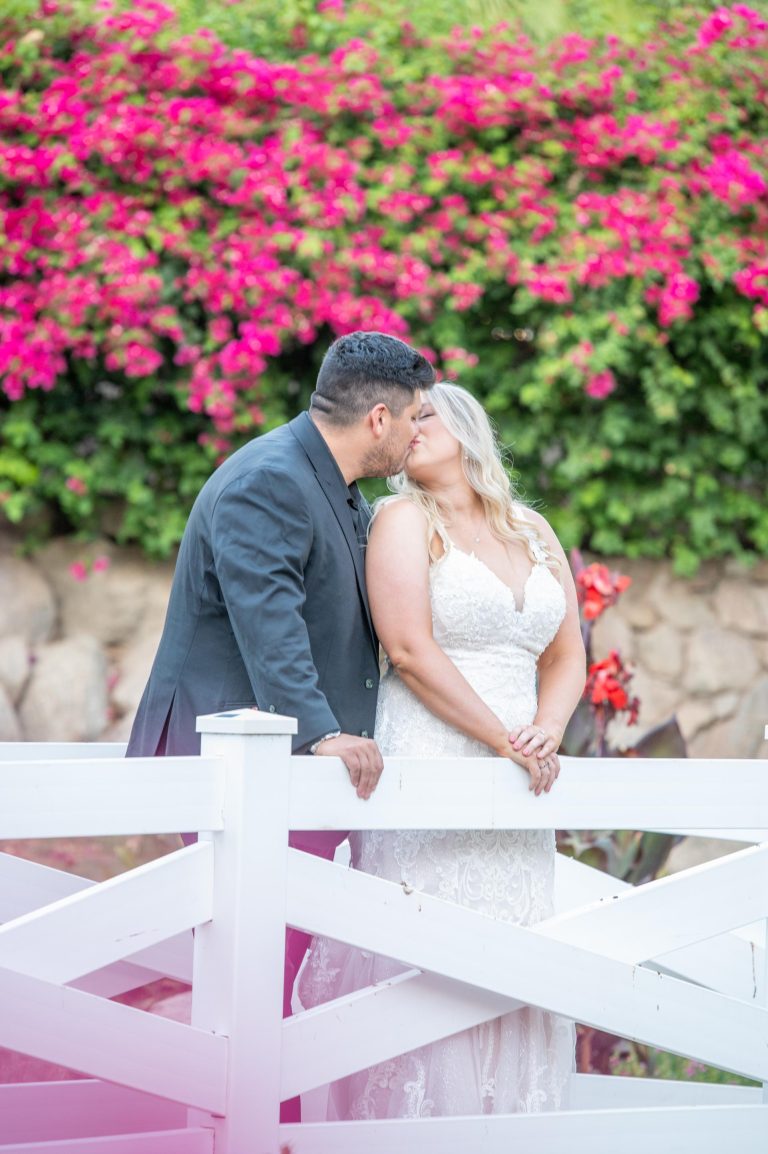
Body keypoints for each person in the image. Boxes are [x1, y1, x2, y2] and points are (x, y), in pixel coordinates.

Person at [126, 329, 436, 1122]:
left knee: (287, 963)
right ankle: (245, 1129)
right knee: (260, 969)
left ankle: (279, 1127)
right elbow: (271, 621)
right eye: (413, 419)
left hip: (279, 769)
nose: (416, 434)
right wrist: (318, 732)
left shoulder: (333, 486)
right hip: (228, 763)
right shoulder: (269, 480)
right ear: (377, 418)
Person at [299, 381, 587, 1118]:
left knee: (516, 943)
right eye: (404, 417)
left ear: (466, 427)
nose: (410, 426)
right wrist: (501, 740)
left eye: (426, 413)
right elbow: (408, 649)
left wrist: (546, 729)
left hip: (527, 771)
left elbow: (565, 656)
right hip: (436, 748)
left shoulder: (532, 529)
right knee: (430, 946)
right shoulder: (401, 520)